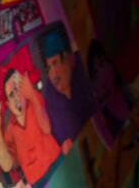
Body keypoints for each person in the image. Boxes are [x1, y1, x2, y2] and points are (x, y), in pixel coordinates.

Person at [0, 67, 62, 185]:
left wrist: (32, 95)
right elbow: (7, 165)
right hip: (38, 183)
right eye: (11, 95)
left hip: (57, 166)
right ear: (8, 104)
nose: (16, 97)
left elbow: (47, 128)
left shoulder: (34, 100)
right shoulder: (10, 131)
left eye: (17, 89)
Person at [38, 25, 97, 153]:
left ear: (69, 59)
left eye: (55, 63)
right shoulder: (50, 93)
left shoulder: (85, 65)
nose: (53, 75)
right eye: (48, 69)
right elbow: (63, 141)